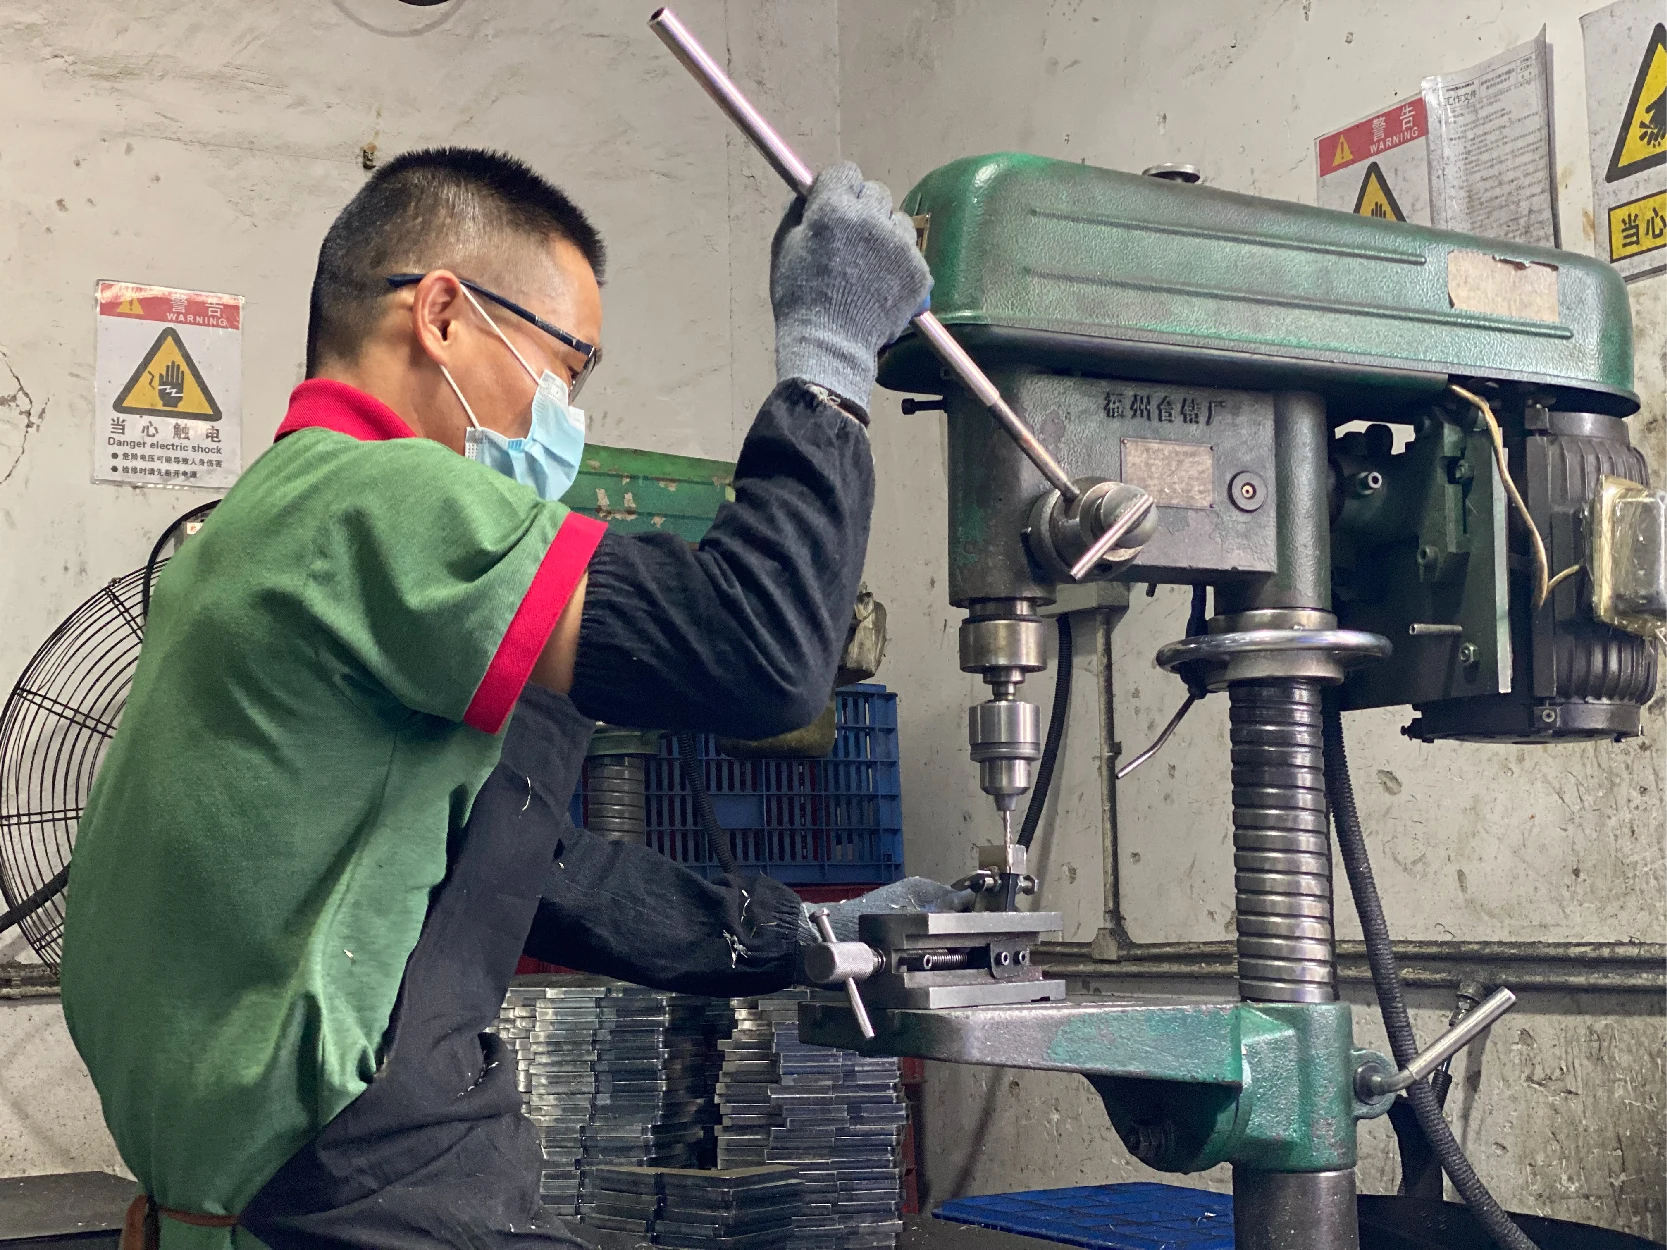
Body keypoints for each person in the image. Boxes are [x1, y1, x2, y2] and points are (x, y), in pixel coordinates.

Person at [59, 146, 933, 1250]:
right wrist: (828, 358)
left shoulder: (257, 530)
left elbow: (518, 858)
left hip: (252, 1200)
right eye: (566, 366)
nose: (566, 415)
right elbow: (762, 653)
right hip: (357, 1189)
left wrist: (798, 936)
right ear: (440, 315)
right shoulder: (377, 497)